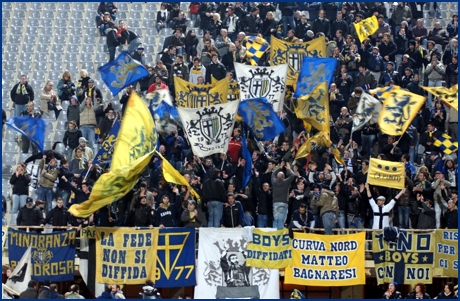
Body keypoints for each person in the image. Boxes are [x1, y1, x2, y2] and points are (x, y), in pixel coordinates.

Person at [271, 161, 296, 230]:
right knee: (281, 222)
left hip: (275, 203)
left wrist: (280, 168)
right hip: (283, 203)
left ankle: (274, 235)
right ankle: (279, 237)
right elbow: (293, 175)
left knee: (275, 220)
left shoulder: (274, 182)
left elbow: (273, 174)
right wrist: (288, 169)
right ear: (284, 177)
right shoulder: (285, 182)